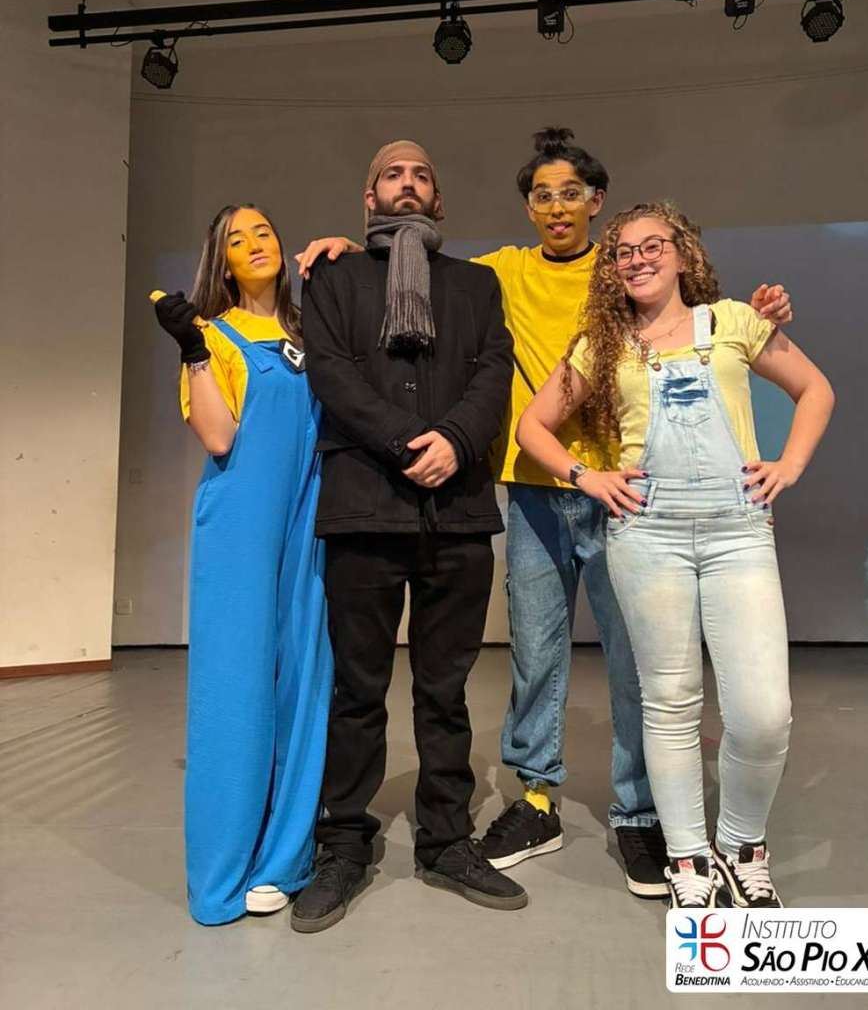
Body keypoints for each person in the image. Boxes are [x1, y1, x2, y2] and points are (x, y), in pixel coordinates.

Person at [294, 128, 793, 900]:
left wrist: (760, 313)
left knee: (637, 666)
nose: (556, 206)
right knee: (533, 657)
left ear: (596, 202)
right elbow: (392, 280)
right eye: (541, 195)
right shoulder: (500, 270)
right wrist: (343, 247)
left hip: (629, 490)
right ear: (527, 207)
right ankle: (533, 801)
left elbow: (688, 314)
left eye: (571, 194)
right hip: (536, 486)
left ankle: (638, 814)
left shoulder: (624, 268)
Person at [516, 201, 833, 909]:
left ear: (683, 254)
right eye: (623, 252)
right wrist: (586, 475)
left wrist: (789, 465)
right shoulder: (603, 345)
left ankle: (743, 846)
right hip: (648, 536)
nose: (637, 259)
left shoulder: (734, 321)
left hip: (737, 534)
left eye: (651, 245)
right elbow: (533, 426)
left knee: (763, 713)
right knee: (669, 703)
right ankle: (689, 859)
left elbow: (815, 389)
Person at [290, 141, 522, 934]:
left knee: (445, 691)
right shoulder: (334, 277)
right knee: (356, 691)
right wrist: (403, 441)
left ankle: (446, 841)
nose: (409, 183)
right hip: (364, 506)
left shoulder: (476, 284)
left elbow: (495, 370)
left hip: (457, 513)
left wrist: (455, 439)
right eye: (393, 173)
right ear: (370, 198)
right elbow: (330, 372)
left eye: (422, 174)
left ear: (438, 199)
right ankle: (343, 845)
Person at [152, 204, 333, 926]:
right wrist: (193, 349)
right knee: (235, 685)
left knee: (305, 682)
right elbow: (220, 437)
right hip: (241, 525)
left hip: (310, 520)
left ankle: (286, 857)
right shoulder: (216, 335)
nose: (255, 244)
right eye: (237, 239)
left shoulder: (312, 332)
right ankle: (223, 869)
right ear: (221, 262)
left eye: (264, 232)